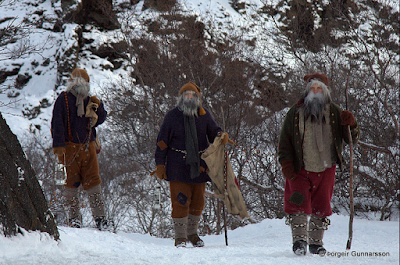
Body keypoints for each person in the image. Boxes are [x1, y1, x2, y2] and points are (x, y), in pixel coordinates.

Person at [278, 73, 359, 256]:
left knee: (321, 205)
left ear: (325, 91)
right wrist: (286, 163)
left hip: (326, 167)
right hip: (300, 167)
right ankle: (299, 241)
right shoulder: (295, 112)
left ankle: (316, 243)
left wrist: (351, 124)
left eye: (319, 88)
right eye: (312, 88)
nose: (315, 92)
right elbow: (285, 141)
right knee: (297, 202)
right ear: (307, 91)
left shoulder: (336, 112)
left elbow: (351, 139)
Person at [152, 81, 232, 247]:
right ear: (181, 98)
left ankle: (192, 234)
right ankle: (180, 238)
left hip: (200, 166)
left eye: (192, 95)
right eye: (186, 95)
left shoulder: (203, 115)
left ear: (197, 98)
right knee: (180, 201)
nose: (189, 98)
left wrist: (220, 135)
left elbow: (213, 131)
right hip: (177, 166)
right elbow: (162, 142)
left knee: (198, 202)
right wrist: (160, 164)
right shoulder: (172, 116)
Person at [51, 68, 109, 230]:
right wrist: (59, 146)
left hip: (89, 148)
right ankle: (74, 219)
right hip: (69, 149)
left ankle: (101, 219)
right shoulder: (63, 99)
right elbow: (57, 123)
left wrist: (99, 106)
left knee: (94, 183)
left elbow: (101, 118)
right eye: (76, 81)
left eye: (82, 81)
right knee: (70, 185)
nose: (79, 84)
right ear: (71, 82)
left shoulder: (90, 100)